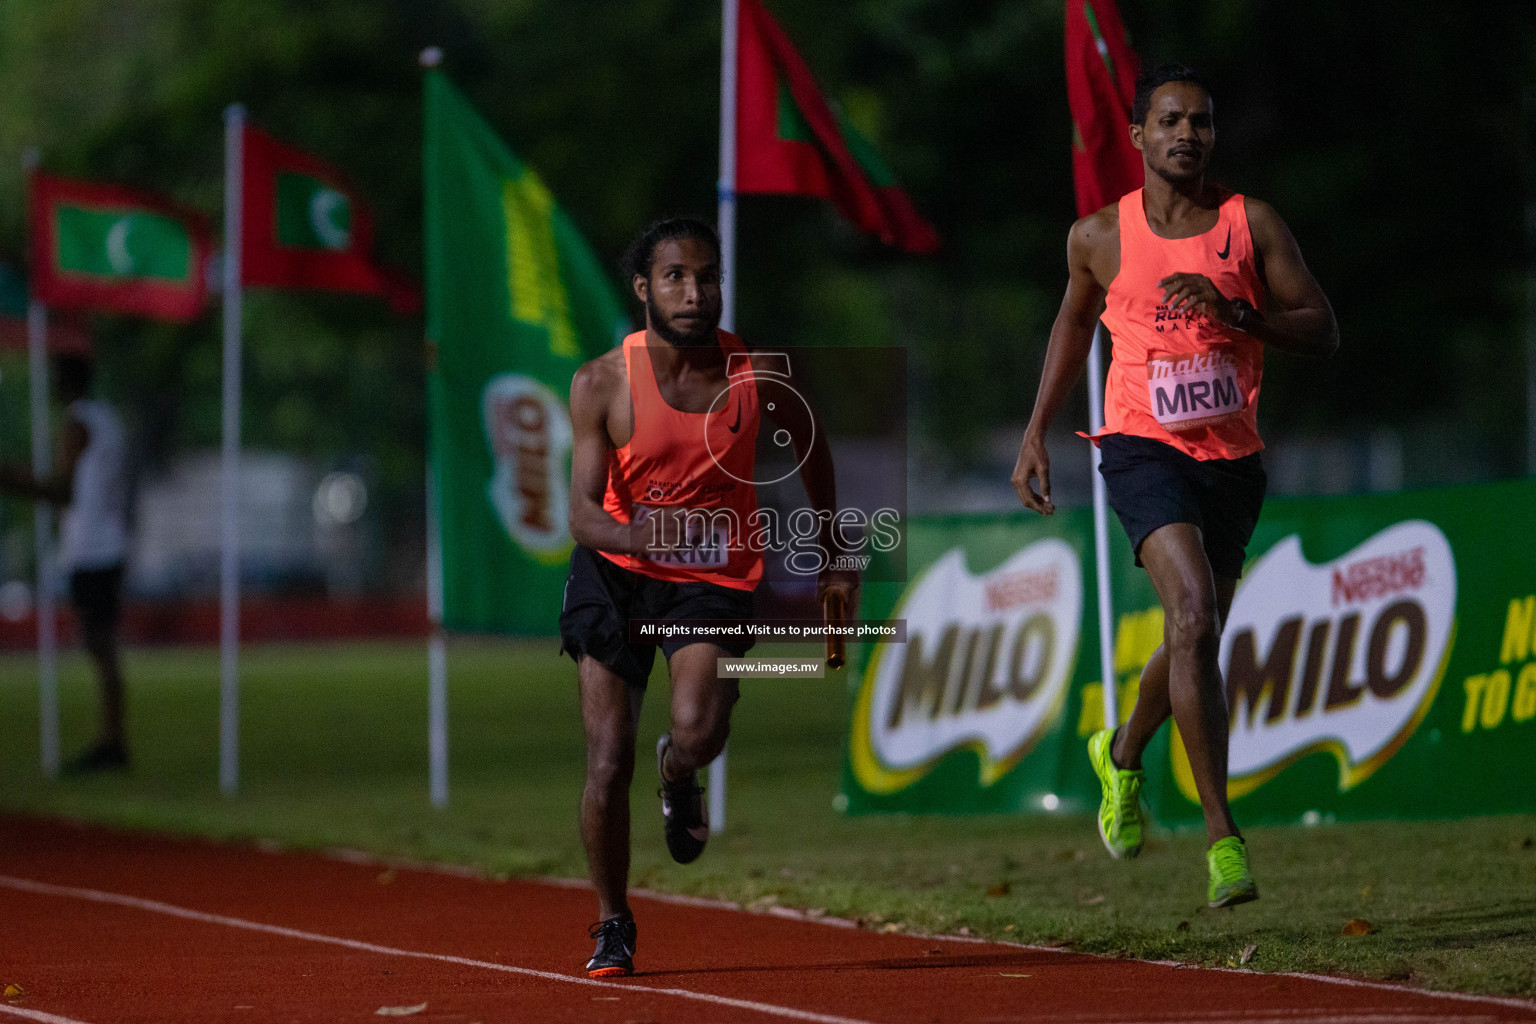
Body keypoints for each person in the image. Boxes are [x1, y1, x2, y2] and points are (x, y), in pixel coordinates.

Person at [1011, 64, 1338, 908]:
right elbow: (1074, 320)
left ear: (1213, 135)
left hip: (1230, 456)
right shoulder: (1098, 236)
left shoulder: (1250, 223)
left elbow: (1322, 327)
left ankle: (1121, 752)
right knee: (1192, 613)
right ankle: (1223, 839)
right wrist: (1038, 429)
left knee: (1199, 631)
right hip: (1138, 445)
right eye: (1169, 120)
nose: (1186, 133)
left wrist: (1242, 318)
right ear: (1138, 135)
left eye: (1200, 121)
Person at [562, 217, 854, 976]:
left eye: (708, 277)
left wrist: (833, 555)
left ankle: (679, 773)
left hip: (712, 573)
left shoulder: (760, 373)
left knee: (695, 729)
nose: (696, 293)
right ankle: (612, 923)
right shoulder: (602, 383)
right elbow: (582, 514)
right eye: (676, 278)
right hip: (617, 567)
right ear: (643, 289)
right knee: (606, 757)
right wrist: (639, 539)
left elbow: (813, 450)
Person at [1, 353, 132, 773]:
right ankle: (112, 739)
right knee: (102, 645)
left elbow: (62, 490)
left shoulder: (77, 423)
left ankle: (112, 741)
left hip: (91, 548)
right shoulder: (107, 419)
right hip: (108, 542)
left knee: (100, 645)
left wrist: (11, 478)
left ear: (62, 384)